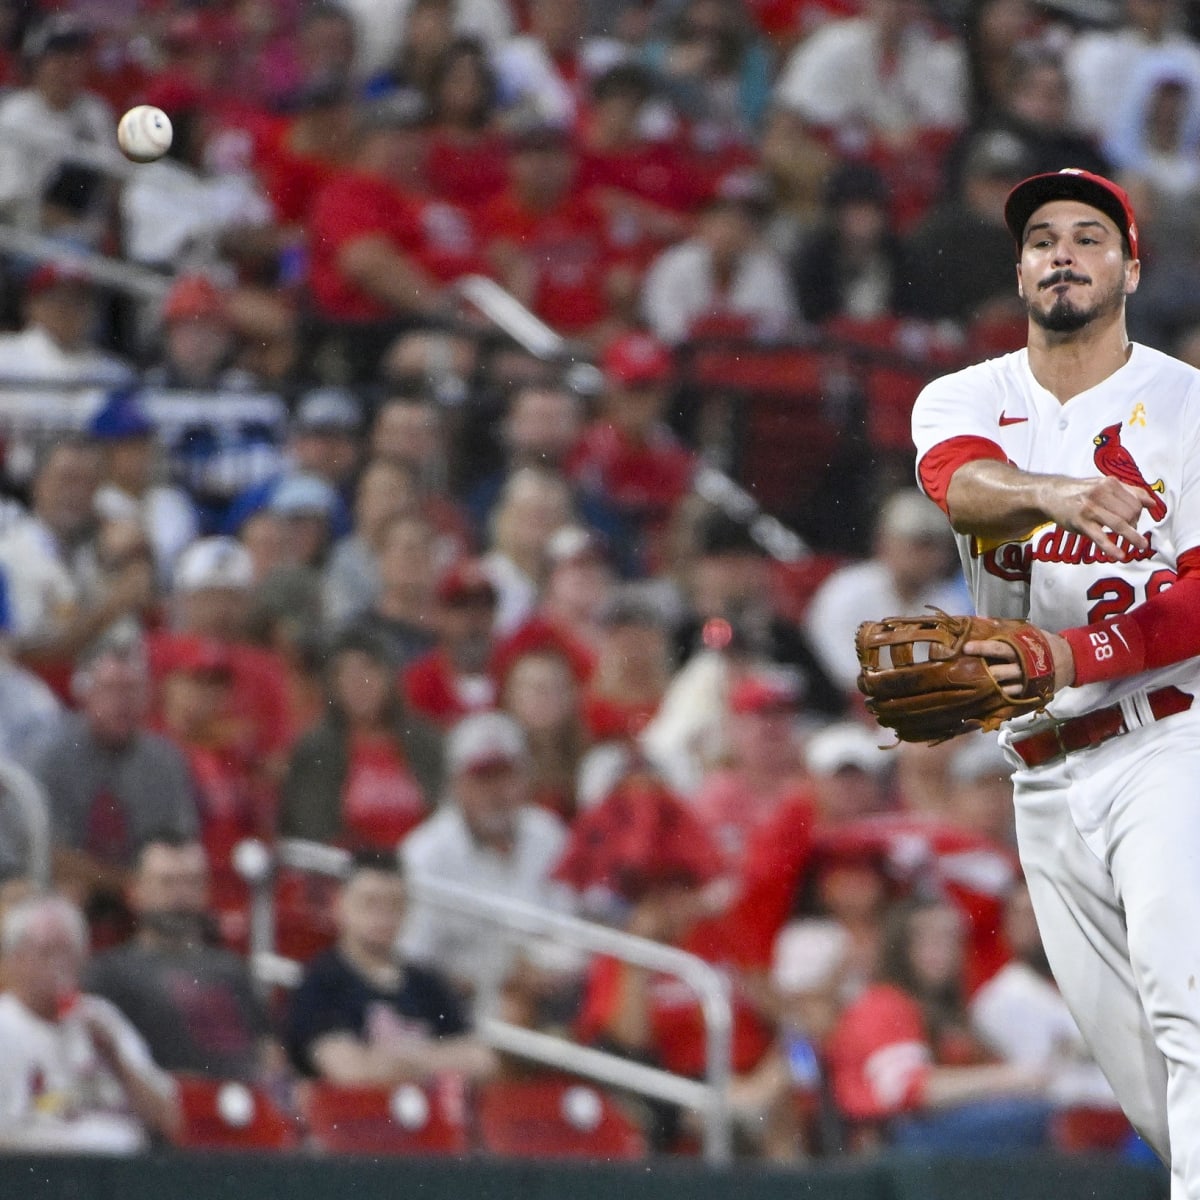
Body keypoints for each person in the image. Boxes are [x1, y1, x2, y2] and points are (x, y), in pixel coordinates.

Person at [908, 166, 1200, 1195]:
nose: (1061, 252)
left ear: (1129, 263)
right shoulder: (966, 394)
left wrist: (1068, 655)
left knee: (1188, 1008)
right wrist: (1057, 494)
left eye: (1087, 235)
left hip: (1169, 740)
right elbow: (964, 488)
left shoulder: (1188, 406)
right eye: (1041, 238)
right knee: (1144, 1080)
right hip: (1037, 769)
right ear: (1021, 269)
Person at [400, 711, 573, 1014]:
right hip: (459, 1009)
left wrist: (542, 972)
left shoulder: (548, 833)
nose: (497, 792)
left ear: (525, 778)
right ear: (456, 784)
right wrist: (499, 975)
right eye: (482, 778)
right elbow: (413, 961)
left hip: (554, 994)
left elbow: (574, 929)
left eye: (506, 776)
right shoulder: (425, 853)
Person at [285, 848, 497, 1084]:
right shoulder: (321, 982)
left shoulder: (426, 982)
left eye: (394, 904)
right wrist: (435, 1059)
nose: (383, 916)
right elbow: (349, 1072)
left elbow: (481, 1060)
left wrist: (399, 1060)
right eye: (370, 903)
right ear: (340, 903)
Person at [84, 835, 277, 1082]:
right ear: (135, 891)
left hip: (241, 1103)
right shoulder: (109, 974)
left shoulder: (233, 969)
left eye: (191, 882)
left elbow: (268, 1051)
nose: (180, 895)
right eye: (167, 883)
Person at [0, 893, 181, 1152]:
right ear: (13, 959)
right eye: (47, 952)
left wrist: (115, 1059)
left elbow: (167, 1120)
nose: (59, 965)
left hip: (120, 1172)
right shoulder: (5, 1025)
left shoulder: (100, 1017)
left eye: (69, 952)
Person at [281, 628, 442, 850]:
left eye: (369, 668)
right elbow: (311, 830)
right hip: (347, 873)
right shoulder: (316, 751)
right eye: (345, 673)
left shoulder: (426, 743)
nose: (359, 682)